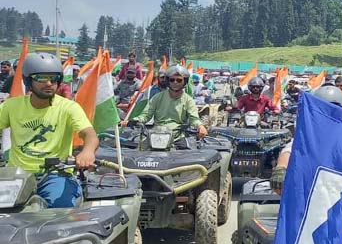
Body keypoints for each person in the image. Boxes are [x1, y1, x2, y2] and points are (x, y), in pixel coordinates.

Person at [0, 52, 98, 208]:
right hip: (16, 175)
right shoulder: (11, 106)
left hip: (55, 175)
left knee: (60, 212)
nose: (48, 83)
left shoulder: (68, 107)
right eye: (41, 78)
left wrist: (87, 152)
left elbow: (89, 134)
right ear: (28, 80)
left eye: (53, 78)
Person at [270, 84, 342, 194]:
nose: (329, 113)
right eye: (324, 108)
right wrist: (281, 168)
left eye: (334, 108)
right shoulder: (310, 129)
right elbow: (294, 147)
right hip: (312, 189)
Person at [121, 65, 207, 140]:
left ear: (185, 82)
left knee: (188, 152)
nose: (175, 82)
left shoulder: (188, 100)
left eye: (179, 80)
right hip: (156, 135)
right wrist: (133, 121)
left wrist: (200, 126)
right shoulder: (157, 97)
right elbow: (146, 115)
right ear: (168, 81)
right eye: (172, 80)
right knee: (140, 150)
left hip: (178, 137)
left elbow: (194, 118)